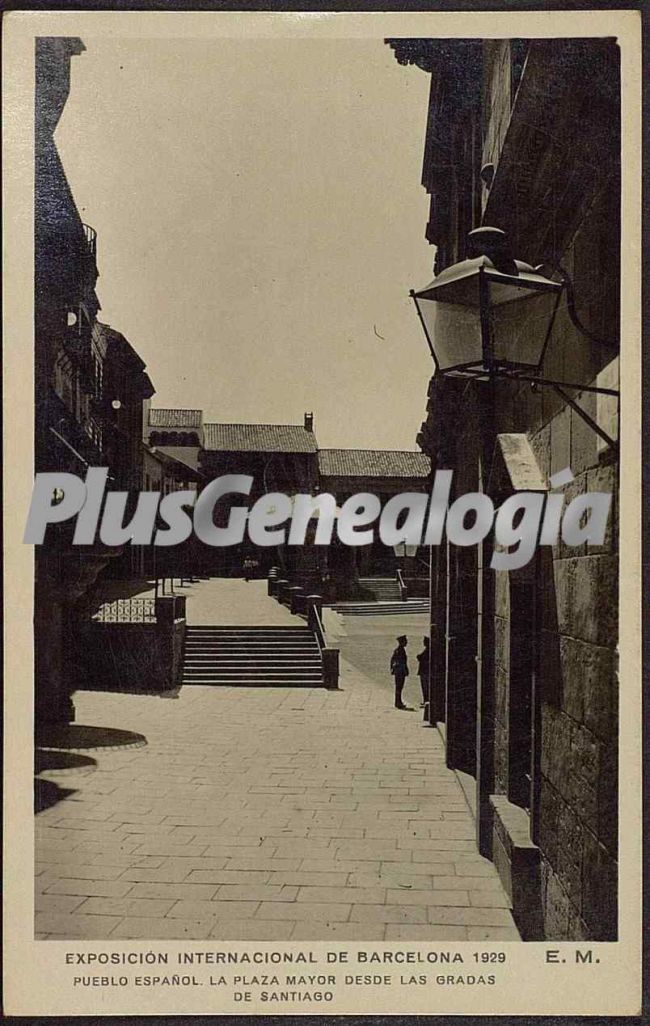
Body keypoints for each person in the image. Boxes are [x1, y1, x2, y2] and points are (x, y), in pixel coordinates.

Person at [390, 635, 409, 710]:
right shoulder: (400, 651)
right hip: (400, 672)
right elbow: (399, 661)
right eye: (405, 641)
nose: (406, 642)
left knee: (399, 687)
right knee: (399, 687)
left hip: (399, 671)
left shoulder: (399, 650)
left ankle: (398, 701)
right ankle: (398, 702)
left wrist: (392, 669)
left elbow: (392, 660)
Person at [416, 636, 430, 708]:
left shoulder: (427, 650)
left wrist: (418, 656)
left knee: (425, 687)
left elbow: (420, 657)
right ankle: (425, 701)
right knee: (425, 687)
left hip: (424, 672)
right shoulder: (427, 650)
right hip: (425, 671)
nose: (423, 643)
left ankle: (426, 701)